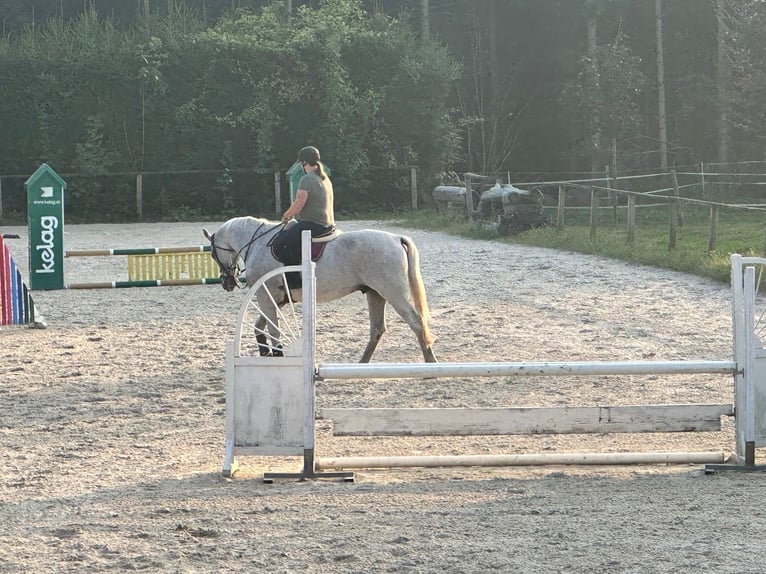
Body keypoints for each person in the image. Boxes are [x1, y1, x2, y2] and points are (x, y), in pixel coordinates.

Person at [272, 145, 335, 288]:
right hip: (328, 224)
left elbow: (299, 203)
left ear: (304, 162)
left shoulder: (307, 179)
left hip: (313, 224)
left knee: (280, 243)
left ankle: (294, 281)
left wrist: (286, 215)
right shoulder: (325, 178)